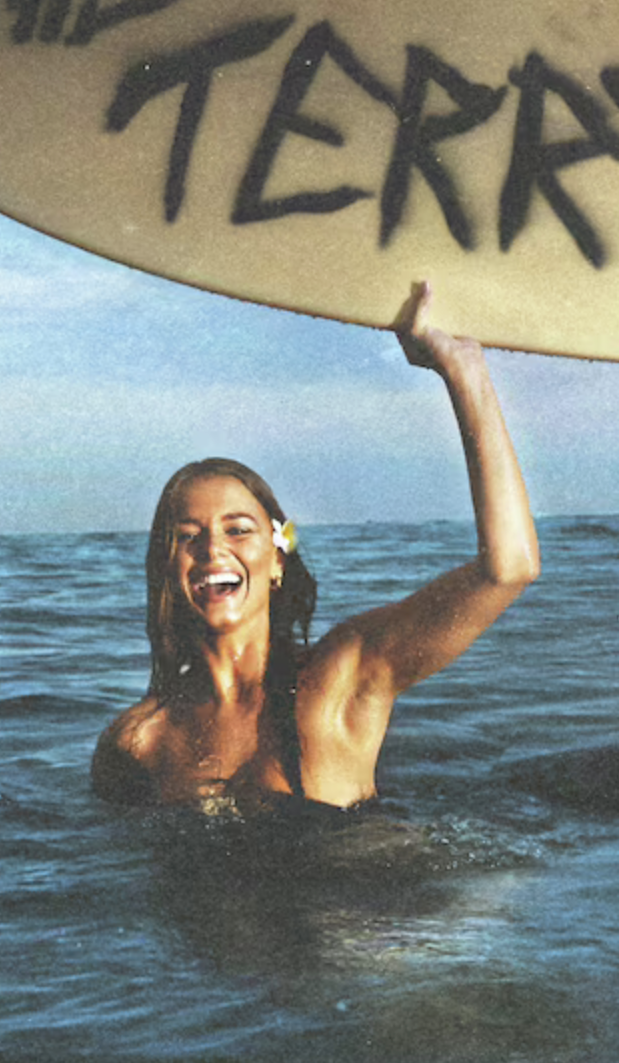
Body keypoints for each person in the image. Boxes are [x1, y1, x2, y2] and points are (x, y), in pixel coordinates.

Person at [91, 281, 539, 813]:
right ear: (166, 567)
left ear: (277, 559)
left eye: (238, 530)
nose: (212, 550)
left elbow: (509, 568)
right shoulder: (140, 741)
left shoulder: (344, 677)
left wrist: (463, 370)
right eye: (188, 536)